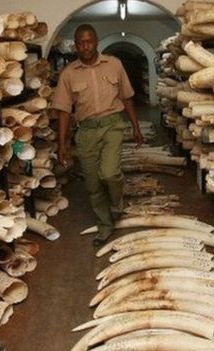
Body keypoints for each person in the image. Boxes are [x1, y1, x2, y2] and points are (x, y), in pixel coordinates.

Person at [51, 23, 143, 247]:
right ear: (75, 45)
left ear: (96, 42)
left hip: (112, 125)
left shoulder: (114, 64)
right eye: (81, 42)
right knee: (92, 185)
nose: (86, 46)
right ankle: (105, 226)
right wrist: (62, 145)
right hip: (86, 132)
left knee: (110, 173)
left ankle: (116, 201)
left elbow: (127, 97)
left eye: (89, 41)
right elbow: (63, 112)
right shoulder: (68, 74)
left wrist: (135, 126)